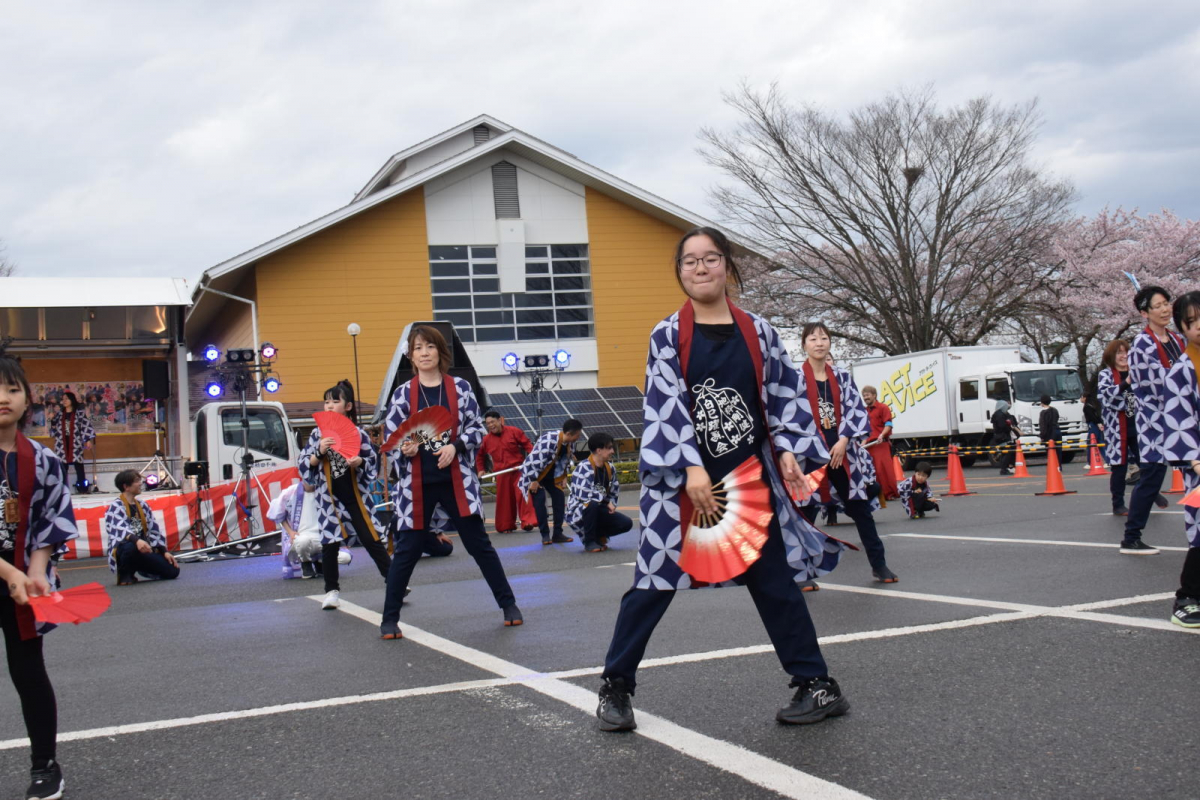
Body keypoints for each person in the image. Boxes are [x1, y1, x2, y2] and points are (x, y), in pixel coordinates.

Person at [596, 226, 849, 733]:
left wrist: (788, 452)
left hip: (747, 483)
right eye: (689, 261)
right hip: (680, 485)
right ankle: (615, 688)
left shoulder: (760, 330)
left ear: (727, 267)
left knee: (774, 582)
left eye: (710, 258)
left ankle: (817, 684)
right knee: (652, 583)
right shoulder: (667, 333)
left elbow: (780, 398)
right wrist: (689, 466)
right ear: (680, 273)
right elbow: (664, 404)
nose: (701, 267)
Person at [379, 325, 522, 639]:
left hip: (456, 479)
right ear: (411, 356)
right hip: (416, 484)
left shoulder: (460, 388)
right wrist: (407, 446)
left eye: (430, 347)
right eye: (418, 348)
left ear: (440, 352)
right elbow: (393, 436)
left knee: (479, 546)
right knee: (407, 551)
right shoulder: (403, 393)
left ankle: (509, 604)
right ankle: (389, 620)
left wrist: (454, 447)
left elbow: (476, 428)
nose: (425, 353)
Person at [0, 353, 77, 800]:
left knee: (29, 673)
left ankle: (45, 766)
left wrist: (34, 569)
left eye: (12, 389)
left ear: (27, 399)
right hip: (8, 575)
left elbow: (55, 515)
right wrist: (10, 571)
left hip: (23, 586)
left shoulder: (42, 458)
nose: (3, 398)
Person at [798, 321, 897, 584]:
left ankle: (879, 565)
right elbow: (790, 418)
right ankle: (801, 573)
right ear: (804, 345)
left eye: (823, 338)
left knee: (861, 510)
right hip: (810, 457)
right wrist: (816, 445)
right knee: (806, 514)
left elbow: (855, 410)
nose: (819, 343)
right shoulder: (795, 378)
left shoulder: (842, 377)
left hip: (843, 455)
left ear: (830, 342)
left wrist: (843, 439)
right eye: (812, 339)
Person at [298, 380, 392, 610]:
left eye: (335, 401)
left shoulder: (358, 434)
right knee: (330, 543)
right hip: (328, 497)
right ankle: (331, 591)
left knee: (371, 538)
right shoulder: (317, 435)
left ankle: (393, 580)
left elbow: (372, 462)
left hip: (355, 495)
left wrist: (359, 461)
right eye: (326, 401)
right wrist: (319, 452)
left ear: (348, 406)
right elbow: (304, 464)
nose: (329, 406)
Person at [1123, 286, 1185, 555]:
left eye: (1166, 303)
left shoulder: (1177, 338)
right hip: (1155, 422)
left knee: (1192, 471)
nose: (1164, 309)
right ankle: (1131, 537)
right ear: (1144, 313)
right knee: (1152, 478)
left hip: (1182, 419)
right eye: (1157, 305)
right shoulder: (1142, 344)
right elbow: (1153, 384)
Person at [1159, 291, 1200, 627]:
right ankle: (1187, 597)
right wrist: (1195, 461)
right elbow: (1177, 420)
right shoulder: (1181, 371)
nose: (1199, 327)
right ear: (1182, 329)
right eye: (1192, 322)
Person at [103, 470, 180, 585]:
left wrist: (164, 551)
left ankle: (141, 567)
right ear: (126, 486)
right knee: (129, 546)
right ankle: (125, 574)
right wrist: (137, 540)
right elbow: (119, 529)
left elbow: (154, 530)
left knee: (173, 571)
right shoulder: (115, 506)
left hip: (143, 549)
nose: (141, 483)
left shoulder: (143, 505)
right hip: (125, 549)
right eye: (137, 481)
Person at [1097, 339, 1143, 515]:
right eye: (1119, 353)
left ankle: (1152, 494)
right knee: (1119, 467)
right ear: (1112, 356)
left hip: (1137, 425)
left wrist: (1130, 401)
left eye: (1126, 352)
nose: (1124, 356)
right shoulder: (1106, 374)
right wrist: (1126, 384)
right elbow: (1107, 397)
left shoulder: (1136, 372)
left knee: (1147, 464)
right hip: (1116, 428)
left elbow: (1142, 398)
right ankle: (1118, 504)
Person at [519, 419, 583, 545]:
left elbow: (567, 459)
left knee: (559, 498)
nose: (578, 437)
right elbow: (534, 460)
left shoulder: (571, 444)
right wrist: (534, 480)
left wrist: (564, 476)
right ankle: (545, 534)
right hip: (535, 474)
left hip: (552, 476)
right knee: (540, 502)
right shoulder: (549, 440)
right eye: (577, 435)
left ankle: (557, 533)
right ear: (569, 434)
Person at [567, 432, 632, 553]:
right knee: (591, 504)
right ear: (599, 450)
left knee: (626, 523)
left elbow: (614, 490)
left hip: (599, 508)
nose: (612, 451)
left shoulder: (610, 468)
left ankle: (598, 535)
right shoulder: (583, 467)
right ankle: (589, 541)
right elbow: (583, 495)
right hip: (580, 511)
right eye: (609, 448)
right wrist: (606, 501)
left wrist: (611, 503)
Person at [475, 410, 537, 534]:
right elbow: (479, 455)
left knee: (522, 494)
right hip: (501, 473)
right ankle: (505, 525)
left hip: (518, 470)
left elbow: (529, 446)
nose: (491, 425)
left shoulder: (514, 431)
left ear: (500, 420)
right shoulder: (486, 440)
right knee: (504, 500)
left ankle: (527, 522)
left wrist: (532, 462)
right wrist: (481, 469)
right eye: (488, 423)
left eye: (493, 422)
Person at [266, 481, 324, 579]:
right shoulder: (291, 492)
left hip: (321, 536)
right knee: (303, 541)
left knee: (345, 557)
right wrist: (290, 532)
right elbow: (277, 513)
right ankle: (306, 563)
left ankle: (320, 562)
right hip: (299, 536)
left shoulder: (324, 489)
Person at [47, 392, 94, 494]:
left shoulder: (79, 414)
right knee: (63, 467)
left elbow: (85, 427)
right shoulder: (59, 414)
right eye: (63, 399)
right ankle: (63, 490)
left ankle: (82, 489)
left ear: (72, 400)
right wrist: (51, 420)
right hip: (61, 444)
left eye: (66, 399)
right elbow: (53, 430)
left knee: (79, 466)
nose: (64, 401)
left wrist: (88, 440)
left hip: (75, 443)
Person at [861, 386, 899, 501]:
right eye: (864, 395)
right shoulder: (864, 411)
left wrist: (882, 435)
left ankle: (889, 493)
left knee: (883, 470)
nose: (865, 397)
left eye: (867, 395)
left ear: (874, 395)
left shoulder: (883, 408)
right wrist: (862, 443)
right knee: (871, 470)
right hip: (868, 445)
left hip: (880, 444)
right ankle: (876, 494)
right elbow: (864, 430)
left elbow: (888, 424)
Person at [991, 400, 1020, 475]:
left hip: (1002, 436)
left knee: (1006, 452)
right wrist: (1009, 427)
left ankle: (1006, 468)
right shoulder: (1000, 415)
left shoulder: (999, 414)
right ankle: (1003, 469)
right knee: (1007, 452)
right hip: (1003, 436)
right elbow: (1003, 426)